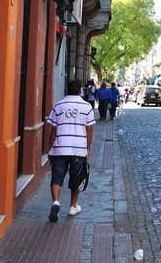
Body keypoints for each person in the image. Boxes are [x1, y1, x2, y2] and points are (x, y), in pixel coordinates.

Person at [45, 80, 94, 222]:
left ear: (67, 89)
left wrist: (50, 148)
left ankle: (56, 202)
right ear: (80, 91)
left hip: (60, 147)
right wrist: (88, 147)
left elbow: (53, 129)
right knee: (77, 177)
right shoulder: (86, 107)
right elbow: (89, 130)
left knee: (57, 176)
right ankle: (73, 206)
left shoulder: (58, 105)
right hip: (78, 148)